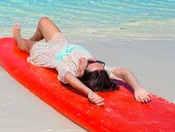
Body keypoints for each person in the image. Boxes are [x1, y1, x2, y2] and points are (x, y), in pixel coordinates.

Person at [12, 17, 151, 106]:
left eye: (89, 63)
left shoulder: (68, 68)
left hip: (45, 52)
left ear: (80, 72)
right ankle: (33, 39)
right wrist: (138, 88)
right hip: (61, 43)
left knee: (24, 46)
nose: (91, 59)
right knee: (43, 21)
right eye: (97, 61)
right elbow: (125, 72)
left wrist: (89, 93)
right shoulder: (100, 70)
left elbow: (69, 78)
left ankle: (17, 36)